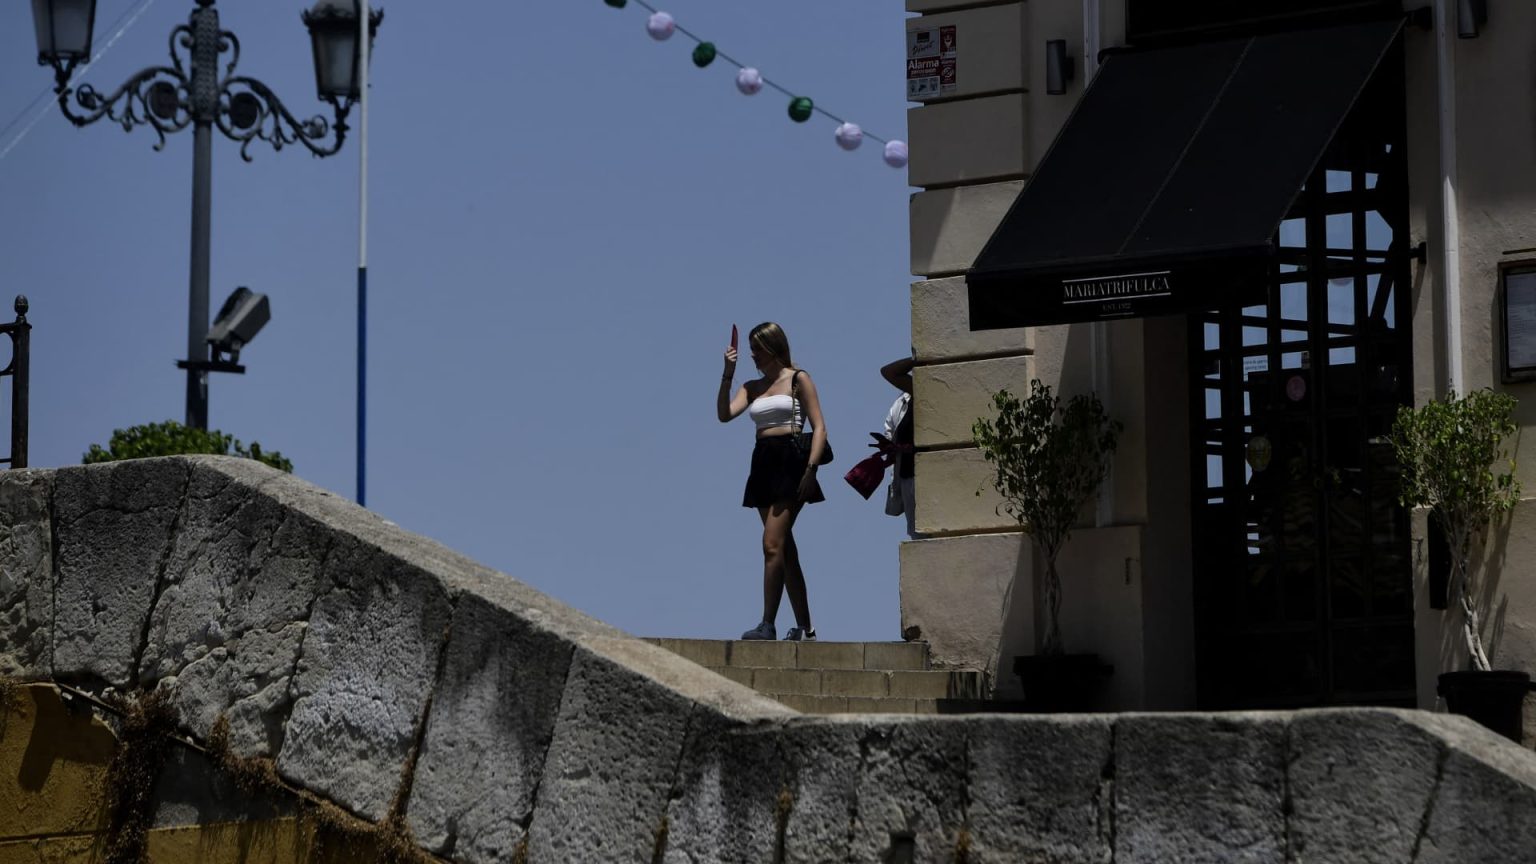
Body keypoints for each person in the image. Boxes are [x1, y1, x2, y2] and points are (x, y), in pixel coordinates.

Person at [718, 322, 827, 641]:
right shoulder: (751, 387)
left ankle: (768, 623)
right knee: (784, 549)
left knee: (771, 544)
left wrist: (812, 469)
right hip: (762, 462)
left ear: (772, 347)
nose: (752, 354)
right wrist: (728, 373)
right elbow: (725, 414)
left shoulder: (798, 378)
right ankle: (806, 628)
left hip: (791, 461)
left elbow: (820, 427)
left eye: (757, 348)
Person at [880, 357, 917, 538]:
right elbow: (887, 371)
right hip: (907, 477)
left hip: (930, 476)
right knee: (918, 536)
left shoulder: (932, 391)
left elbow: (889, 372)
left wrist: (922, 358)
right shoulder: (901, 402)